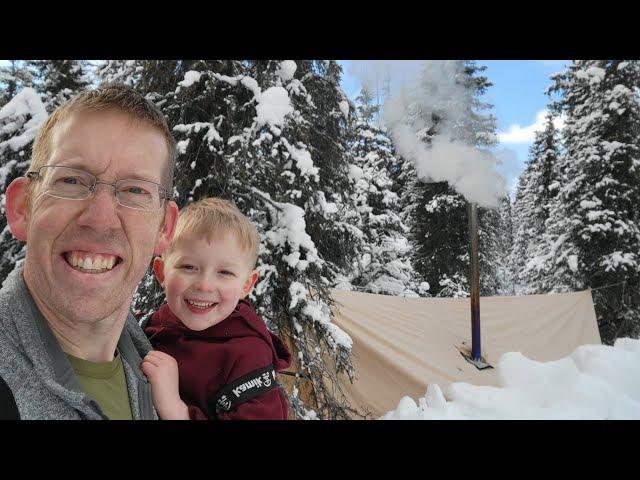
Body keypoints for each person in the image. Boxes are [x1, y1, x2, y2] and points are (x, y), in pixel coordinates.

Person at [0, 84, 179, 419]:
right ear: (23, 208)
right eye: (71, 181)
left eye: (135, 190)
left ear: (164, 228)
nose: (100, 219)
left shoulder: (160, 380)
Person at [141, 197, 291, 420]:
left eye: (224, 273)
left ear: (246, 285)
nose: (204, 285)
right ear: (161, 273)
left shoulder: (248, 354)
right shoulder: (148, 325)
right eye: (189, 267)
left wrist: (175, 409)